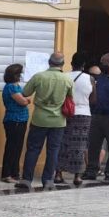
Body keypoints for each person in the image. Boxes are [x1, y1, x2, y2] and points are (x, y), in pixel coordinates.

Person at [17, 52, 73, 190]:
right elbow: (71, 98)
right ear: (62, 64)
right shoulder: (67, 80)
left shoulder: (39, 77)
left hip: (39, 119)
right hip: (58, 121)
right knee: (53, 151)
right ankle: (48, 180)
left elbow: (25, 93)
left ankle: (26, 179)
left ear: (49, 62)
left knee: (33, 149)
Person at [56, 52, 93, 186]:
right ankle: (77, 176)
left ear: (71, 63)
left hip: (64, 113)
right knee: (80, 145)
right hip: (83, 114)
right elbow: (94, 99)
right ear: (84, 65)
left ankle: (58, 174)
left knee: (62, 143)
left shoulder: (63, 76)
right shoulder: (90, 79)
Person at [1, 63, 30, 183]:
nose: (21, 75)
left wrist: (26, 99)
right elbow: (22, 101)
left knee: (18, 147)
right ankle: (7, 174)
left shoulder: (16, 86)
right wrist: (27, 100)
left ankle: (15, 172)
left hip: (21, 120)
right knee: (12, 147)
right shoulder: (10, 87)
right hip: (14, 120)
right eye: (20, 73)